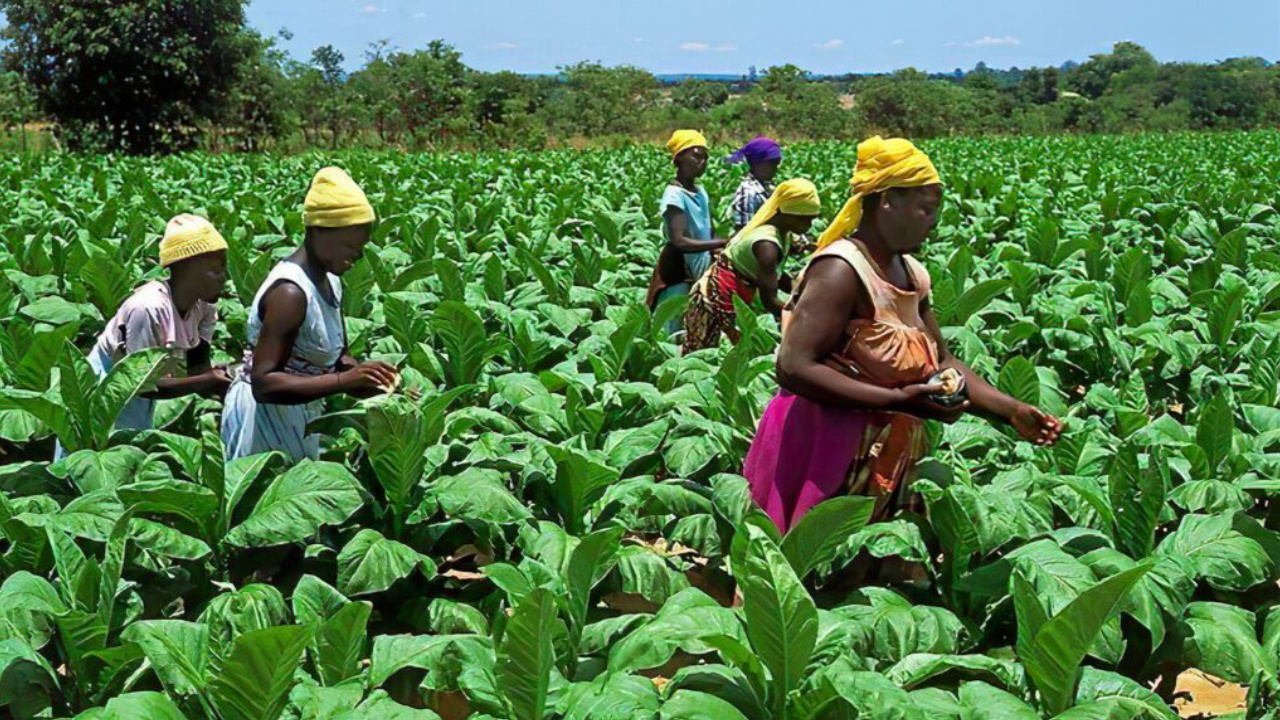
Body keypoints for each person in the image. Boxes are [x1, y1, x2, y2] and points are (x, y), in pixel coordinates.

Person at [744, 137, 1062, 535]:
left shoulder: (911, 273)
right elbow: (793, 366)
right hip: (822, 454)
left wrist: (1010, 411)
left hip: (884, 456)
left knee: (881, 570)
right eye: (925, 209)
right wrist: (898, 401)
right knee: (812, 570)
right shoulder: (841, 270)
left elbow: (942, 362)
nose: (932, 221)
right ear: (888, 201)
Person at [221, 167, 400, 463]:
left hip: (300, 416)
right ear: (318, 231)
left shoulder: (331, 281)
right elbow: (264, 383)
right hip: (263, 422)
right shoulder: (290, 293)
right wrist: (346, 382)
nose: (357, 256)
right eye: (350, 245)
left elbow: (339, 359)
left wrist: (378, 385)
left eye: (361, 247)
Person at [54, 214, 231, 460]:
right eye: (215, 269)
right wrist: (207, 380)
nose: (224, 277)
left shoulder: (204, 307)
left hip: (143, 389)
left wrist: (226, 383)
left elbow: (198, 368)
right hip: (107, 384)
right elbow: (142, 385)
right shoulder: (148, 307)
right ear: (186, 270)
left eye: (224, 268)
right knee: (90, 456)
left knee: (131, 456)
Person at [683, 178, 821, 354]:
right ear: (786, 214)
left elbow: (777, 276)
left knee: (729, 353)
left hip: (734, 294)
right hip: (715, 300)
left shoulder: (782, 233)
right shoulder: (767, 246)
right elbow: (769, 301)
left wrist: (802, 293)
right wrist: (805, 318)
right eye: (804, 220)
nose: (808, 227)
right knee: (706, 356)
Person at [645, 129, 726, 335]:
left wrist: (718, 248)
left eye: (706, 157)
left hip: (700, 267)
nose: (703, 161)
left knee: (695, 327)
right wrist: (719, 244)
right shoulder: (674, 195)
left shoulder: (701, 192)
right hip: (679, 270)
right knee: (673, 330)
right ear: (679, 158)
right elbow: (679, 241)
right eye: (697, 155)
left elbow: (707, 231)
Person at [726, 137, 782, 232]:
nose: (775, 168)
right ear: (756, 164)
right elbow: (746, 231)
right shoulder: (748, 192)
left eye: (777, 163)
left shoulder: (769, 187)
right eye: (772, 163)